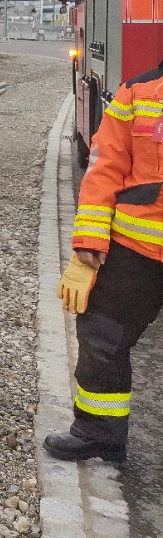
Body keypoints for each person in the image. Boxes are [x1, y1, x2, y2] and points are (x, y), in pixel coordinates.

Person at [44, 62, 163, 464]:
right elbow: (104, 167)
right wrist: (88, 244)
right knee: (101, 338)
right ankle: (99, 432)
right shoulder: (139, 94)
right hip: (136, 250)